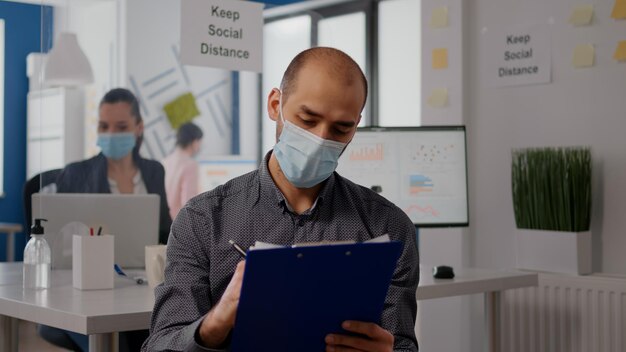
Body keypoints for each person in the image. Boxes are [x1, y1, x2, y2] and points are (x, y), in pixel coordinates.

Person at [142, 47, 419, 351]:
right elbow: (161, 345)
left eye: (341, 128)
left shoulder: (387, 227)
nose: (320, 139)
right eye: (308, 119)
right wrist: (218, 320)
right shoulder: (203, 220)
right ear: (275, 104)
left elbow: (403, 343)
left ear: (356, 126)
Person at [40, 88, 173, 352]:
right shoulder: (76, 174)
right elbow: (59, 246)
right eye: (104, 126)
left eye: (121, 126)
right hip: (87, 293)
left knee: (162, 335)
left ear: (138, 128)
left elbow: (164, 232)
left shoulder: (153, 171)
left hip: (141, 288)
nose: (111, 134)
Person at [162, 122, 204, 220]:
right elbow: (189, 203)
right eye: (200, 142)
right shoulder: (190, 165)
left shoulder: (165, 161)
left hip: (165, 222)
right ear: (194, 142)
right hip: (179, 225)